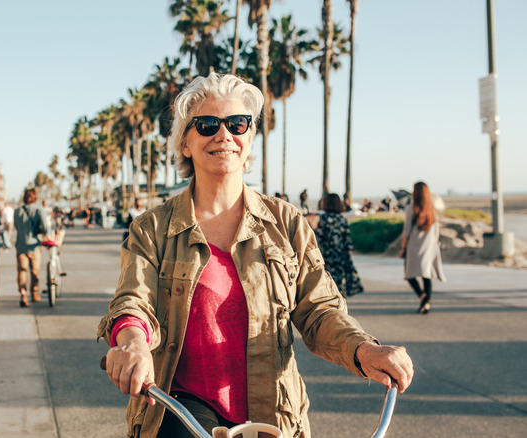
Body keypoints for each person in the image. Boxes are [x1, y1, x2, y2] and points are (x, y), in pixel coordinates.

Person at [97, 72, 413, 438]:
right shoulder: (152, 228)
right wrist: (132, 343)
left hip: (274, 413)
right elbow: (133, 302)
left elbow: (319, 310)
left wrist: (363, 350)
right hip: (183, 411)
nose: (224, 134)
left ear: (249, 137)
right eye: (207, 124)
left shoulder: (287, 222)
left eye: (237, 123)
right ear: (184, 143)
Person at [399, 181, 445, 314]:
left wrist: (403, 248)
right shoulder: (432, 210)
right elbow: (436, 233)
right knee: (427, 274)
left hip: (414, 245)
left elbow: (406, 231)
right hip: (429, 246)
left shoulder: (410, 209)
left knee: (409, 275)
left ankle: (422, 297)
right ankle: (426, 300)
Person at [315, 193, 364, 296]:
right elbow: (347, 240)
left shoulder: (323, 220)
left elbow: (318, 239)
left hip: (327, 255)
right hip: (341, 254)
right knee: (340, 281)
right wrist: (348, 256)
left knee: (327, 282)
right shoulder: (342, 219)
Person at [14, 188, 48, 307]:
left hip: (21, 245)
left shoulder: (17, 211)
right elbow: (45, 228)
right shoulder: (39, 210)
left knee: (22, 271)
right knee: (35, 271)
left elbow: (16, 226)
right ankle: (34, 292)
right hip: (34, 245)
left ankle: (23, 294)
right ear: (35, 198)